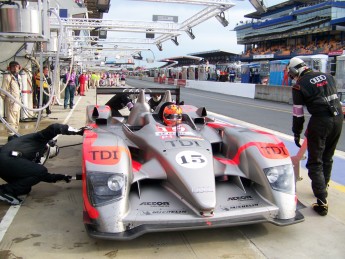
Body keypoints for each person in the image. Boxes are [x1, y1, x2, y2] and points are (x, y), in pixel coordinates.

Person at [288, 57, 343, 216]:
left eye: (292, 74)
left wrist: (297, 132)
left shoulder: (298, 86)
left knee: (314, 162)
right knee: (328, 156)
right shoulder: (328, 76)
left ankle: (322, 201)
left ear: (295, 71)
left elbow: (298, 114)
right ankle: (323, 187)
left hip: (320, 122)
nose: (292, 77)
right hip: (338, 119)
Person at [0, 123, 86, 205]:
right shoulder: (39, 139)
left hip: (8, 164)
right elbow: (55, 127)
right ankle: (4, 191)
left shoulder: (36, 156)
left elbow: (42, 176)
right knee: (40, 170)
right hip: (7, 159)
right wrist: (79, 131)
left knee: (25, 188)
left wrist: (63, 177)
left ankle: (6, 190)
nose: (43, 155)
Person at [0, 61, 22, 142]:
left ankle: (16, 134)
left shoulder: (18, 77)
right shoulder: (8, 77)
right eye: (13, 67)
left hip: (18, 102)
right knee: (11, 121)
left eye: (16, 67)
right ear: (10, 68)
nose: (15, 68)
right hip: (11, 102)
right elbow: (3, 91)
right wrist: (8, 100)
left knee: (17, 120)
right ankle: (11, 136)